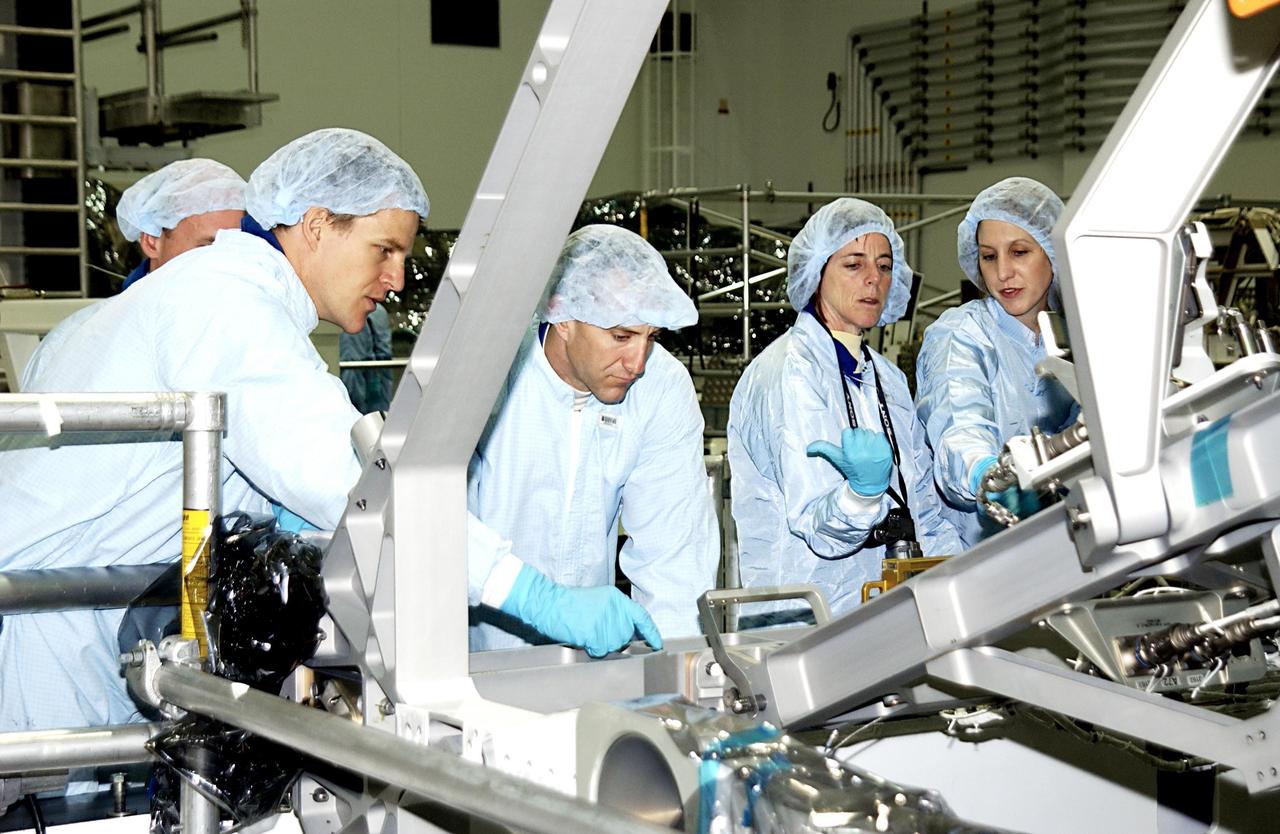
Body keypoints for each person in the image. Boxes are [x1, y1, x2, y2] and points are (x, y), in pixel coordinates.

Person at [0, 130, 653, 742]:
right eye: (384, 250)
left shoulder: (227, 300)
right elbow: (345, 479)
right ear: (315, 225)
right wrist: (533, 595)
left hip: (91, 617)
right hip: (47, 629)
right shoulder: (226, 307)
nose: (397, 279)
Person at [468, 224, 719, 650]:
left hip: (588, 657)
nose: (637, 361)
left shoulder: (660, 387)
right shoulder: (491, 372)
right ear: (562, 315)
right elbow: (427, 522)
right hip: (477, 654)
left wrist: (674, 680)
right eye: (620, 336)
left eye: (651, 337)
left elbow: (672, 557)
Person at [727, 198, 960, 621]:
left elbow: (922, 500)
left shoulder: (884, 378)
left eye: (885, 266)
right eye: (854, 265)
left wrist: (961, 578)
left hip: (878, 610)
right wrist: (861, 495)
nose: (873, 280)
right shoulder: (788, 373)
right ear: (817, 273)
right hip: (802, 616)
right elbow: (820, 530)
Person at [914, 177, 1079, 547]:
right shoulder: (962, 334)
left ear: (1053, 252)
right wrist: (989, 478)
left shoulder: (1073, 339)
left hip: (1064, 543)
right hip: (974, 555)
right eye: (989, 256)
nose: (1002, 272)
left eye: (1019, 252)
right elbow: (959, 424)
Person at [18, 159, 246, 390]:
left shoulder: (252, 328)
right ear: (152, 240)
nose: (225, 262)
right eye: (207, 247)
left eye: (238, 246)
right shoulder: (77, 339)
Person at [340, 302, 394, 414]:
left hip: (357, 375)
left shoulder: (350, 310)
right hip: (376, 379)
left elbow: (351, 359)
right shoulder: (378, 310)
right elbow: (384, 353)